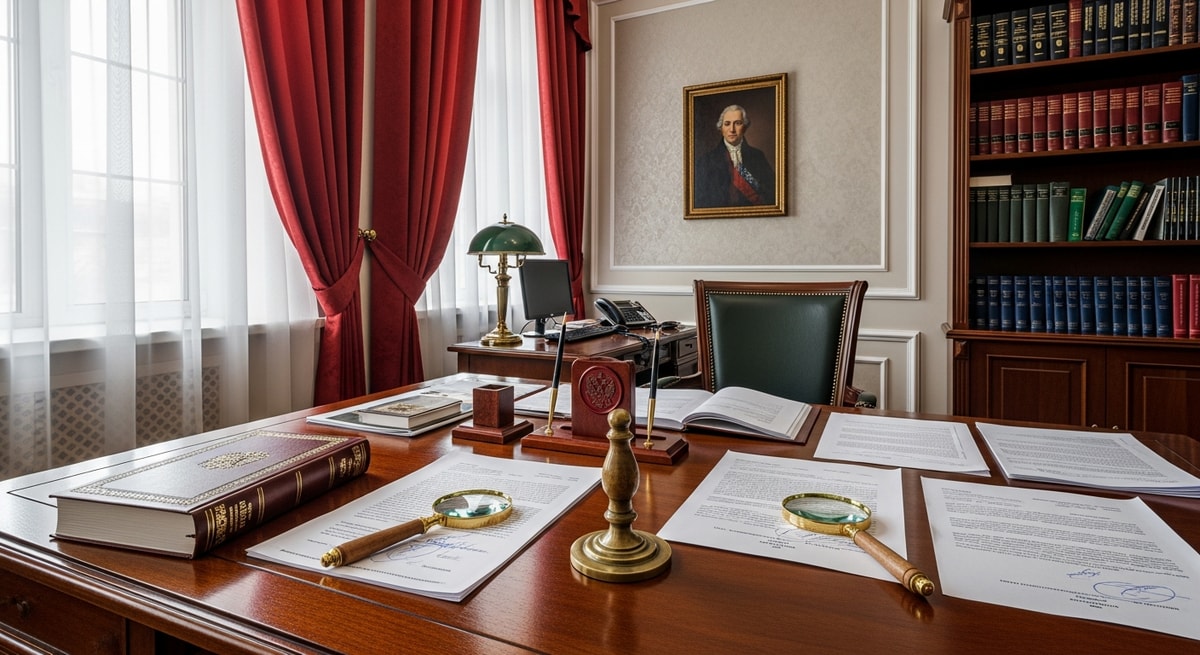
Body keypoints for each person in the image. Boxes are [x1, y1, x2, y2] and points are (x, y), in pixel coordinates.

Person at [693, 104, 775, 208]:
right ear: (721, 128)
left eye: (738, 123)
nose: (732, 129)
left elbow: (770, 193)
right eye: (727, 124)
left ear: (744, 127)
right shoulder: (706, 161)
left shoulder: (757, 156)